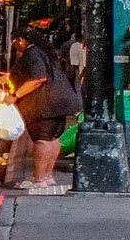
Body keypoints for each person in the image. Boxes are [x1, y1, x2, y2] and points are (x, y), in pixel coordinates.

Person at [7, 23, 81, 193]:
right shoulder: (43, 52)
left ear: (21, 40)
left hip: (45, 104)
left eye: (14, 41)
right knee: (53, 138)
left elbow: (37, 78)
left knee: (41, 140)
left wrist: (15, 96)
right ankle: (46, 177)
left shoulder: (31, 53)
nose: (14, 45)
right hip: (60, 102)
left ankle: (38, 179)